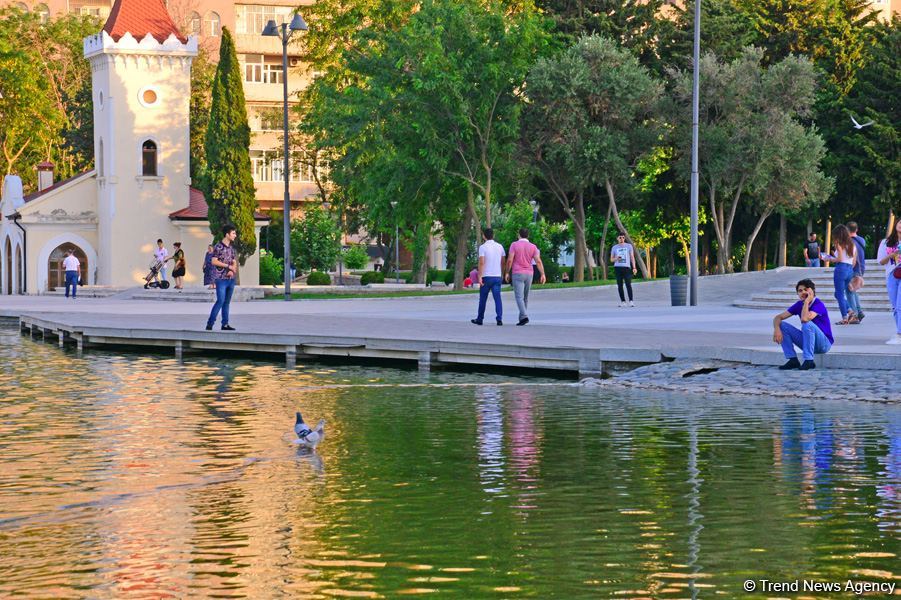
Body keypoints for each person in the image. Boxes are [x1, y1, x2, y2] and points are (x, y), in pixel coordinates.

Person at [772, 278, 833, 370]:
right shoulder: (799, 304)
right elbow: (778, 317)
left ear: (812, 291)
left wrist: (807, 301)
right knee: (781, 325)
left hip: (823, 344)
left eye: (806, 289)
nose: (803, 292)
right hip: (809, 342)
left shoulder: (818, 304)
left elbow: (805, 319)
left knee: (807, 324)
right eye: (800, 291)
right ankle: (793, 360)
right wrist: (777, 329)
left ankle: (809, 361)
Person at [506, 227, 546, 326]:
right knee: (525, 297)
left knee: (519, 297)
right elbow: (538, 261)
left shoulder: (514, 245)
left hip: (518, 273)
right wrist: (542, 274)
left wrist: (507, 272)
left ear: (519, 235)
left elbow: (510, 260)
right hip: (529, 273)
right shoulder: (533, 247)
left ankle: (524, 316)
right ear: (528, 235)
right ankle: (522, 319)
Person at [821, 224, 857, 324]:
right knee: (837, 294)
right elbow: (853, 262)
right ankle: (850, 311)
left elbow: (840, 259)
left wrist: (829, 259)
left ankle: (845, 318)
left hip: (841, 269)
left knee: (839, 294)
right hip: (850, 269)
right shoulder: (852, 245)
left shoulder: (839, 243)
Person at [206, 224, 238, 331]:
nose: (235, 235)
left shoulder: (231, 248)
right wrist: (228, 266)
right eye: (233, 233)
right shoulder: (218, 246)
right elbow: (213, 261)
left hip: (230, 279)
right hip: (220, 279)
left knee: (227, 302)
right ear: (227, 234)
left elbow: (234, 262)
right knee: (220, 301)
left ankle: (225, 324)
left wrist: (231, 270)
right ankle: (210, 324)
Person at [471, 227, 506, 326]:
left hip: (486, 276)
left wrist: (480, 276)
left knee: (483, 299)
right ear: (493, 235)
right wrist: (502, 273)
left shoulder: (483, 247)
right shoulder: (500, 247)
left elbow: (481, 262)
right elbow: (503, 262)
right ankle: (499, 319)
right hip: (497, 276)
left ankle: (480, 319)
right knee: (497, 298)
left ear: (483, 236)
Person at [877, 219, 901, 345]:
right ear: (896, 224)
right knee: (895, 307)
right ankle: (899, 331)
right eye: (900, 223)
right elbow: (881, 261)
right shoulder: (886, 243)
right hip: (892, 274)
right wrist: (892, 255)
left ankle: (899, 333)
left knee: (900, 305)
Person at [845, 222, 867, 322]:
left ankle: (855, 316)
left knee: (849, 291)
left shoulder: (849, 241)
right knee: (853, 290)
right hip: (861, 268)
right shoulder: (862, 240)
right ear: (856, 229)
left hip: (852, 269)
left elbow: (851, 257)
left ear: (846, 230)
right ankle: (859, 312)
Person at [610, 233, 637, 307]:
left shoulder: (629, 246)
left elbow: (632, 257)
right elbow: (611, 259)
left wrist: (634, 267)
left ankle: (631, 301)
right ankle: (623, 301)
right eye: (620, 237)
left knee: (628, 284)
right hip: (618, 268)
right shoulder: (614, 247)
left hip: (626, 268)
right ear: (617, 238)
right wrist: (616, 258)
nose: (622, 239)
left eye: (623, 237)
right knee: (620, 285)